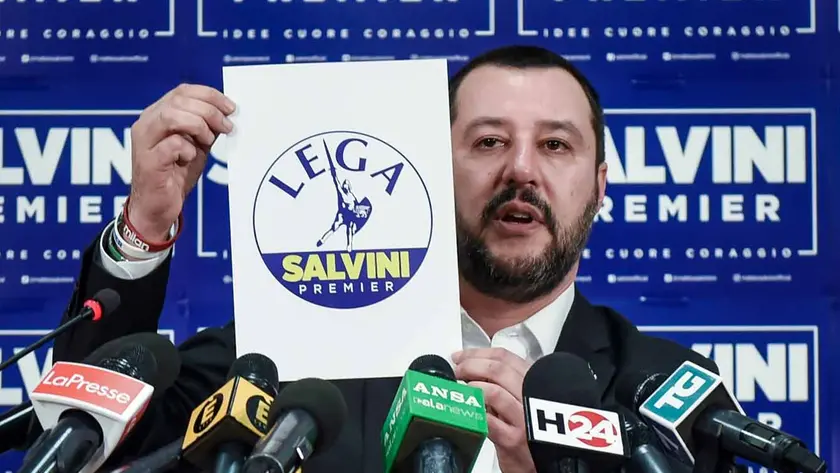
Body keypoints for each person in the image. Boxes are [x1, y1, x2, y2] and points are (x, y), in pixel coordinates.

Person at [52, 45, 716, 473]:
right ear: (431, 166)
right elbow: (90, 437)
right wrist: (146, 224)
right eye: (488, 142)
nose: (520, 169)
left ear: (599, 187)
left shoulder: (664, 389)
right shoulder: (303, 348)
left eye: (556, 146)